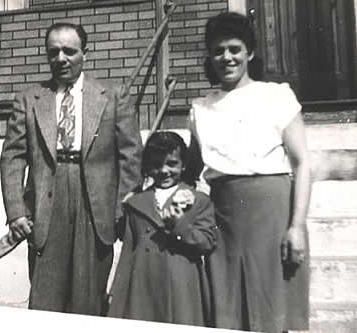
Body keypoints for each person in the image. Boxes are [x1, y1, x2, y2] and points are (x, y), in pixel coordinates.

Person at [0, 22, 143, 315]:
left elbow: (130, 155)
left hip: (95, 203)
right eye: (53, 52)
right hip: (46, 201)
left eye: (69, 51)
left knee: (88, 298)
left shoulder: (113, 96)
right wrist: (15, 212)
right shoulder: (30, 99)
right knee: (45, 297)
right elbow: (12, 157)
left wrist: (122, 208)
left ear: (85, 54)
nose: (61, 58)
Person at [189, 12, 312, 333]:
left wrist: (296, 226)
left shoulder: (276, 96)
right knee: (227, 311)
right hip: (223, 219)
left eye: (234, 49)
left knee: (272, 312)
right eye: (218, 51)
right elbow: (190, 171)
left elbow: (302, 163)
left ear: (250, 53)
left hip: (272, 217)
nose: (226, 57)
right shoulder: (201, 109)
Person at [107, 131, 217, 326]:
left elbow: (207, 242)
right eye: (156, 165)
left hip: (182, 284)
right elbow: (127, 256)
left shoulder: (199, 201)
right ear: (147, 167)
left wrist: (179, 226)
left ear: (183, 164)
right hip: (144, 285)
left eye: (172, 164)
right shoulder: (135, 204)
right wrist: (117, 297)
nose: (164, 170)